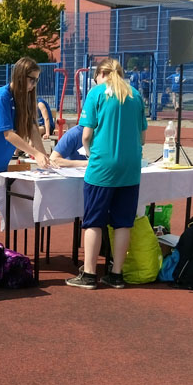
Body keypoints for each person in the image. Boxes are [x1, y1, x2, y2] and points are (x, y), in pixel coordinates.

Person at [65, 58, 148, 290]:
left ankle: (89, 273)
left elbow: (85, 135)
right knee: (123, 222)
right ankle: (116, 274)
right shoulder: (135, 95)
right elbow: (143, 138)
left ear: (101, 74)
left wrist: (89, 152)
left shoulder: (96, 93)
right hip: (131, 167)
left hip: (103, 166)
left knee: (94, 220)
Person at [0, 57, 55, 246]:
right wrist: (35, 154)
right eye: (32, 79)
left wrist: (43, 155)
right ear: (20, 76)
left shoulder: (26, 97)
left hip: (0, 160)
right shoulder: (2, 96)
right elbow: (8, 134)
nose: (34, 85)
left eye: (37, 80)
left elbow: (32, 128)